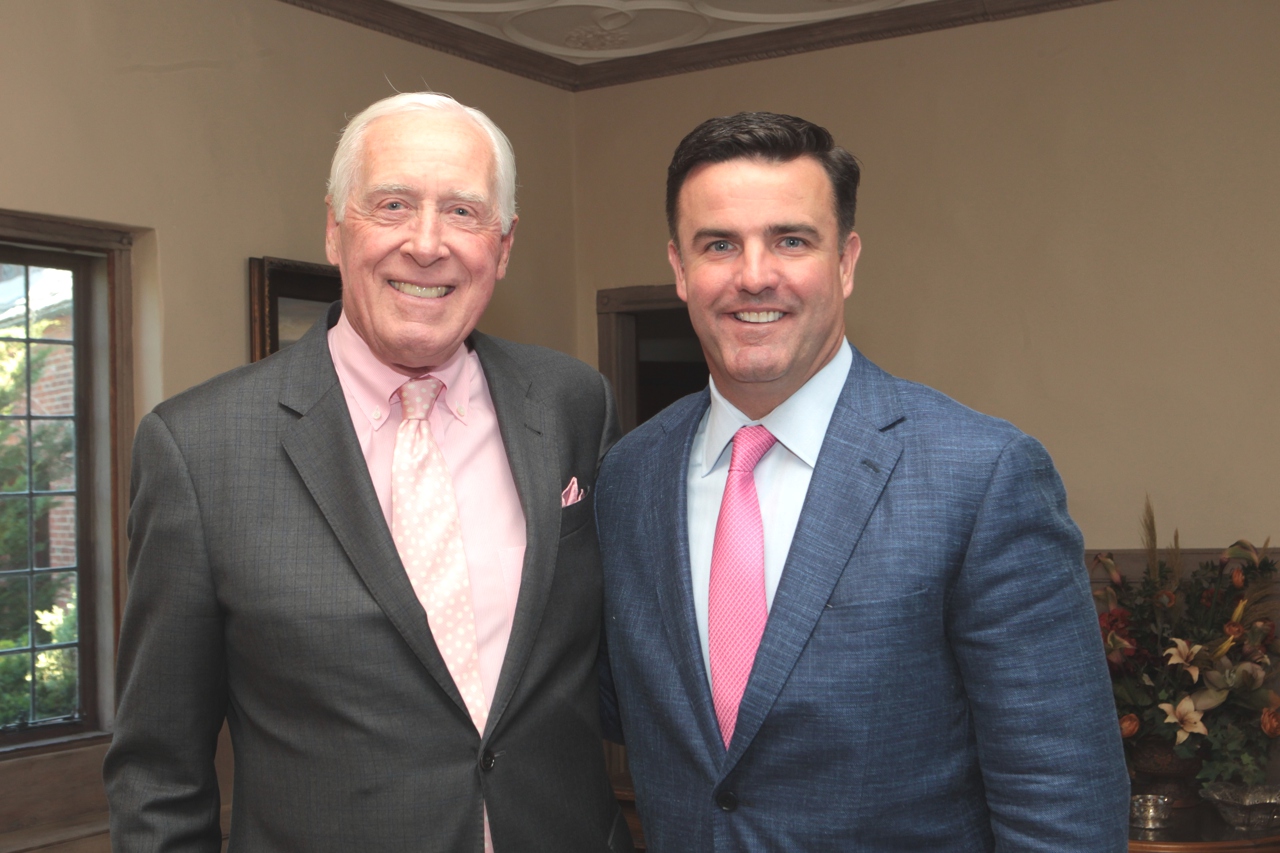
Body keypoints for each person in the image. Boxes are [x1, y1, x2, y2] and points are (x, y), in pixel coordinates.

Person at [104, 92, 631, 853]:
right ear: (334, 228)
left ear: (504, 245)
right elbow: (158, 772)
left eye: (462, 211)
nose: (427, 243)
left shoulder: (573, 403)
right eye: (393, 205)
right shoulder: (198, 448)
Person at [595, 112, 1129, 851]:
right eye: (719, 244)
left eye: (791, 240)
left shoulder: (981, 475)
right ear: (680, 270)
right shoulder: (628, 476)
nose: (754, 275)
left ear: (845, 262)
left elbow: (1061, 800)